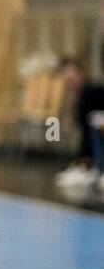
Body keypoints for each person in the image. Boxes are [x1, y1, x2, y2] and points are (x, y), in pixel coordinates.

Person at [53, 57, 104, 192]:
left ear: (82, 73)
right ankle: (83, 165)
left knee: (93, 121)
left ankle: (87, 164)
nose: (69, 76)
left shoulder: (89, 92)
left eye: (73, 72)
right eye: (65, 72)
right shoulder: (75, 96)